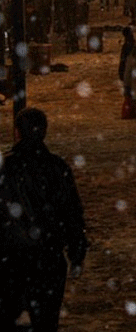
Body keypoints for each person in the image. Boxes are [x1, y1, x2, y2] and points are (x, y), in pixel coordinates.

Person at [0, 108, 89, 332]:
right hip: (48, 258)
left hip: (11, 259)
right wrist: (77, 253)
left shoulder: (6, 168)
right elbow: (72, 214)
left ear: (18, 133)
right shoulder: (57, 168)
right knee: (46, 322)